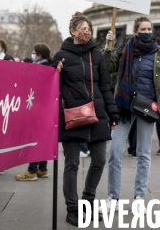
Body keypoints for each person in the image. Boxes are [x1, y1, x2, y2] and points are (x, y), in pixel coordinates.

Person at [53, 12, 118, 227]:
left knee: (99, 160)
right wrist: (54, 71)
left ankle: (87, 203)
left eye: (89, 30)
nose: (87, 32)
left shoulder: (96, 55)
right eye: (83, 29)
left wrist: (112, 111)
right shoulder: (61, 55)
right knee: (71, 163)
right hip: (71, 114)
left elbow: (105, 86)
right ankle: (72, 208)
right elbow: (50, 84)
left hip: (97, 113)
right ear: (72, 31)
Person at [102, 16, 160, 214]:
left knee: (143, 154)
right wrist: (109, 45)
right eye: (143, 29)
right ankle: (113, 197)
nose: (147, 32)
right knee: (114, 151)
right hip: (124, 107)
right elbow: (108, 67)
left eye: (149, 29)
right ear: (136, 31)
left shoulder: (159, 54)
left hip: (147, 108)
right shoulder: (125, 50)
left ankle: (139, 196)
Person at [16, 44, 53, 181]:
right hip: (47, 107)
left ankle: (32, 171)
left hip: (38, 107)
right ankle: (42, 168)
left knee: (35, 139)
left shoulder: (39, 67)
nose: (33, 55)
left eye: (34, 53)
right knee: (43, 138)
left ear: (38, 54)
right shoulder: (50, 65)